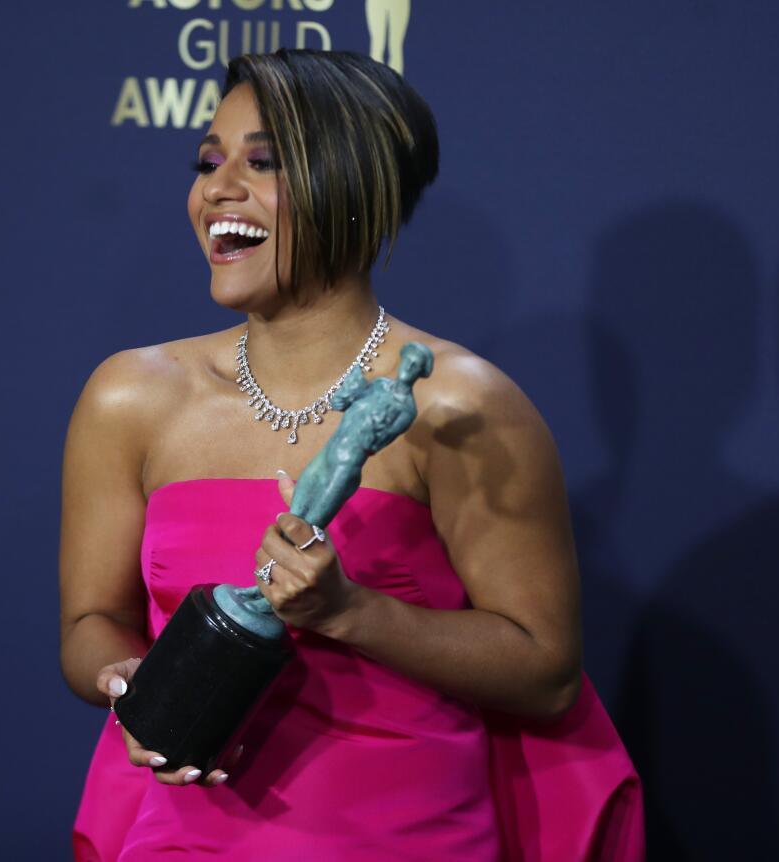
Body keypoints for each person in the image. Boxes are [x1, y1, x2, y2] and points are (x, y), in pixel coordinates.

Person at [60, 49, 643, 861]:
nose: (216, 189)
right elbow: (91, 622)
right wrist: (129, 685)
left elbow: (544, 672)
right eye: (208, 161)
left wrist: (351, 613)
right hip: (182, 841)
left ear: (352, 182)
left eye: (261, 162)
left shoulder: (460, 406)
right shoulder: (130, 397)